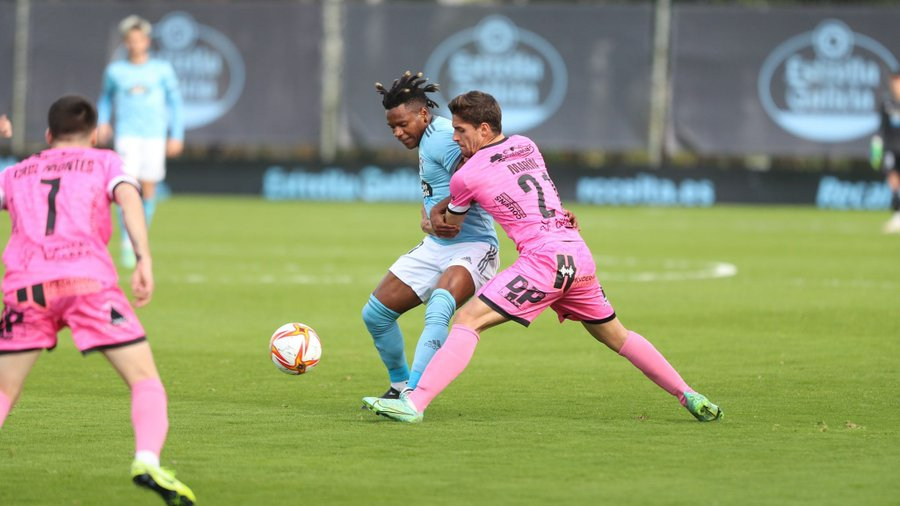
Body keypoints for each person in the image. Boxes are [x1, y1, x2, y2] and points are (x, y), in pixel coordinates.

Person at [364, 91, 723, 424]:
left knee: (467, 320)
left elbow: (450, 224)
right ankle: (689, 395)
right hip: (576, 253)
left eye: (460, 130)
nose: (455, 138)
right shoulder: (526, 145)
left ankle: (414, 402)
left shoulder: (468, 174)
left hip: (542, 260)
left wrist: (431, 217)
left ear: (484, 129)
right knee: (618, 336)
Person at [0, 95, 195, 506]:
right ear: (94, 134)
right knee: (145, 380)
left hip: (26, 288)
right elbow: (129, 198)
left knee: (3, 390)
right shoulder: (105, 162)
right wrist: (142, 257)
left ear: (49, 135)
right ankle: (146, 460)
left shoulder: (15, 172)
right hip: (88, 284)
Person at [361, 71, 500, 402]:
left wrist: (439, 210)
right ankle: (399, 386)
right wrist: (431, 214)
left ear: (423, 114)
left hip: (474, 246)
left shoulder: (439, 138)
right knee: (376, 314)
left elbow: (475, 175)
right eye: (391, 127)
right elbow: (448, 187)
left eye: (403, 124)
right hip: (438, 246)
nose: (397, 132)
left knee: (439, 307)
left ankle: (414, 394)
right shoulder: (430, 138)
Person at [98, 14, 184, 267]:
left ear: (146, 41)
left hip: (154, 136)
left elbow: (175, 104)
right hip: (128, 135)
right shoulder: (116, 71)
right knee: (126, 188)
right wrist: (103, 121)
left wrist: (176, 134)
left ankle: (140, 238)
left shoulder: (161, 70)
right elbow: (105, 98)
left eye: (139, 39)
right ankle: (127, 242)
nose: (135, 44)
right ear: (126, 42)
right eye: (130, 40)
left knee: (148, 189)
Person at [871, 72, 900, 233]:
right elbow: (881, 128)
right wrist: (877, 145)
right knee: (893, 180)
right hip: (891, 148)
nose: (896, 85)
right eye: (894, 82)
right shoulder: (887, 103)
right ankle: (897, 215)